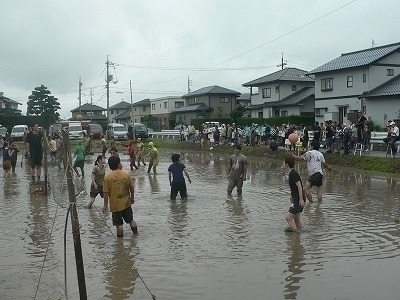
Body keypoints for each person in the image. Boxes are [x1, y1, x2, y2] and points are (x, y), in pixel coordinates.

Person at [102, 156, 138, 237]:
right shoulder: (126, 174)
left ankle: (120, 243)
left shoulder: (107, 177)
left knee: (119, 225)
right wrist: (132, 198)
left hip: (115, 205)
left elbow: (105, 193)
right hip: (126, 202)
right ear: (119, 164)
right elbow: (131, 187)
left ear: (110, 165)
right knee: (131, 221)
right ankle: (136, 235)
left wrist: (105, 205)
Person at [284, 155, 306, 232]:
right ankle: (298, 237)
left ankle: (295, 235)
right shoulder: (292, 174)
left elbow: (299, 186)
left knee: (288, 217)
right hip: (296, 199)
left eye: (283, 163)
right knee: (296, 220)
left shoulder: (293, 174)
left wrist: (301, 199)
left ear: (286, 164)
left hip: (298, 199)